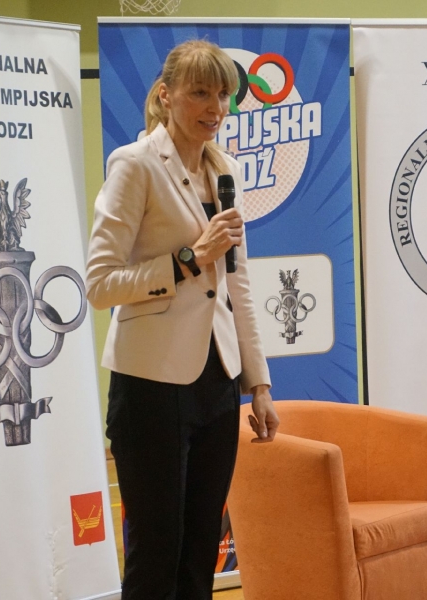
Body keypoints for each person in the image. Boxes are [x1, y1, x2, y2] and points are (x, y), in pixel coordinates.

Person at [85, 40, 279, 600]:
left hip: (217, 383)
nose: (215, 108)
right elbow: (99, 284)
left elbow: (237, 282)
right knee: (156, 555)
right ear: (165, 95)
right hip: (151, 385)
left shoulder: (227, 170)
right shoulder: (135, 164)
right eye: (200, 93)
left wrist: (259, 384)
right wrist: (190, 258)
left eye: (223, 95)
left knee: (200, 552)